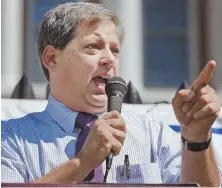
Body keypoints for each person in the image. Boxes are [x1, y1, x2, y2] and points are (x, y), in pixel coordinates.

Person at [1, 2, 221, 186]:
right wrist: (82, 163)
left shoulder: (154, 135)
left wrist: (197, 139)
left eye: (114, 50)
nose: (109, 59)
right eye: (94, 46)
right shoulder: (10, 139)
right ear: (51, 58)